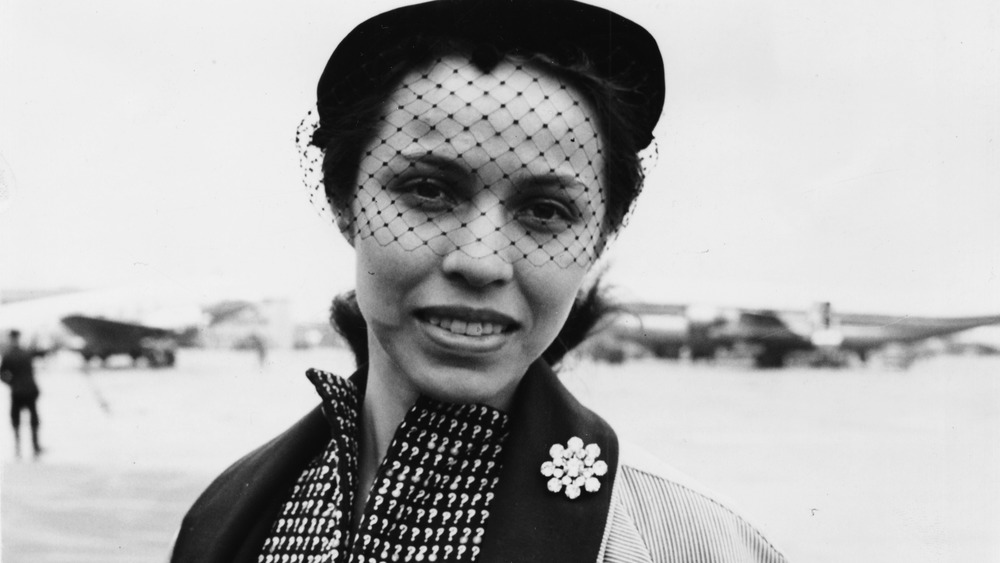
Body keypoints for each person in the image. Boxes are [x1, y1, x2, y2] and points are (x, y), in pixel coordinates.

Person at [172, 1, 789, 561]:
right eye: (429, 191)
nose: (481, 260)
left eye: (545, 211)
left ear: (600, 237)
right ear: (345, 202)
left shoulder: (700, 546)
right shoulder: (223, 517)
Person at [1, 329, 45, 458]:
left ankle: (18, 446)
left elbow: (2, 374)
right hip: (30, 389)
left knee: (16, 418)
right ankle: (35, 446)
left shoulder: (8, 355)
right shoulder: (26, 353)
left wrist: (11, 383)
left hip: (18, 391)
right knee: (33, 417)